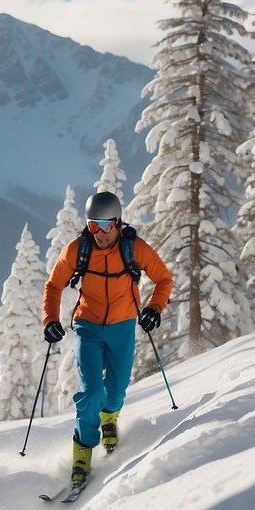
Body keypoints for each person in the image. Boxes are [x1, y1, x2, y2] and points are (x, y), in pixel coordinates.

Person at [42, 191, 173, 485]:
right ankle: (83, 451)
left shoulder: (134, 249)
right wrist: (50, 319)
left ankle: (109, 419)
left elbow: (164, 278)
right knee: (92, 393)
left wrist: (154, 307)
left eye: (105, 225)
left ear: (117, 222)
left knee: (115, 392)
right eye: (93, 225)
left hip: (123, 325)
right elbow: (53, 285)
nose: (99, 233)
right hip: (87, 326)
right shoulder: (78, 250)